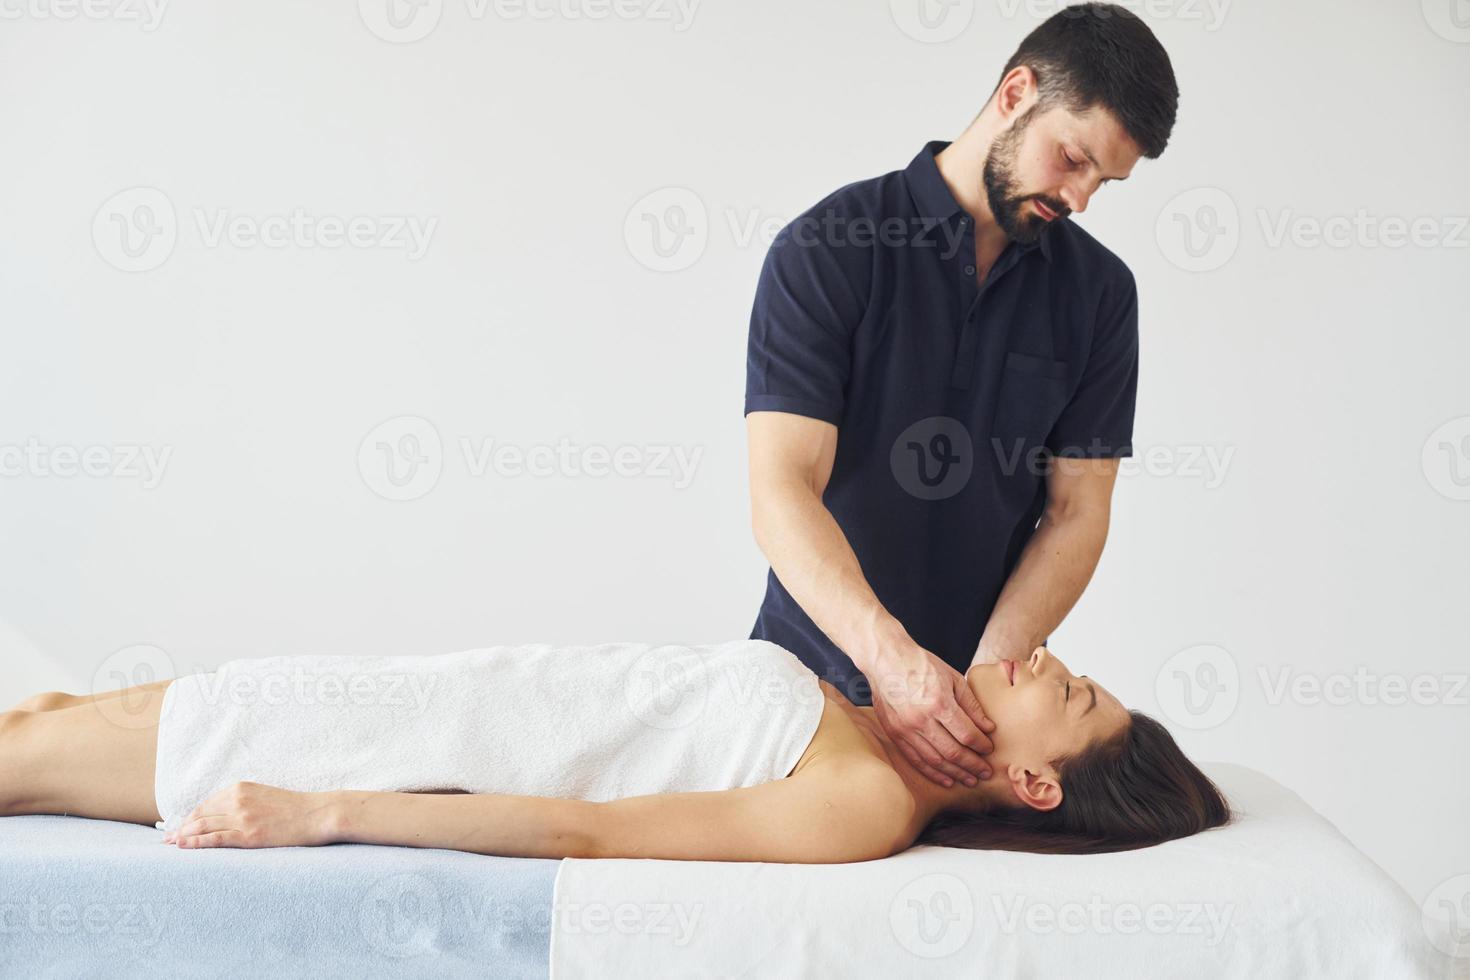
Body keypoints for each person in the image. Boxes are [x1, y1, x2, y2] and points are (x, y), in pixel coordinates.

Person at [744, 3, 1179, 793]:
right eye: (1072, 159)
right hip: (800, 695)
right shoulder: (829, 248)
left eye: (1104, 182)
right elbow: (781, 488)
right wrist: (891, 664)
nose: (1081, 198)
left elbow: (1079, 510)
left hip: (971, 741)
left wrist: (988, 681)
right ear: (1016, 93)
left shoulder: (1102, 294)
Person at [0, 645, 1229, 862]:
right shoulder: (869, 719)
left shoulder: (858, 804)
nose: (1040, 659)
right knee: (33, 715)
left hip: (354, 741)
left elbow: (581, 829)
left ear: (1034, 780)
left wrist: (321, 811)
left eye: (1063, 691)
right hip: (395, 687)